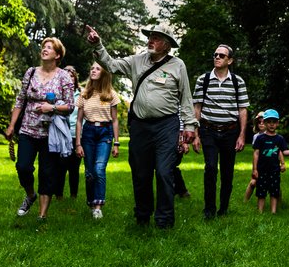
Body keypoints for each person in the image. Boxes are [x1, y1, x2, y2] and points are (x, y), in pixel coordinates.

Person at [85, 23, 198, 229]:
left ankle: (164, 220)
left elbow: (186, 98)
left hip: (166, 125)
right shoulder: (137, 61)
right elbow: (110, 65)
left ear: (166, 45)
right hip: (140, 126)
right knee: (141, 172)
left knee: (164, 172)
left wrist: (190, 125)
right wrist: (99, 44)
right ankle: (143, 216)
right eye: (150, 36)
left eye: (156, 37)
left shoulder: (177, 65)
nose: (150, 40)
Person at [4, 38, 76, 220]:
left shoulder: (64, 76)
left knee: (47, 172)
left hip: (50, 133)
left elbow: (70, 106)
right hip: (28, 129)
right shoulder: (31, 72)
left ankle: (42, 215)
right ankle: (30, 195)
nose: (44, 49)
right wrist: (12, 125)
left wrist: (51, 108)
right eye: (43, 47)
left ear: (57, 55)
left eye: (49, 48)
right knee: (23, 167)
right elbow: (20, 100)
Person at [192, 44, 249, 219]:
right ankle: (209, 209)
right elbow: (197, 107)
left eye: (222, 55)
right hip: (208, 130)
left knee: (227, 171)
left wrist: (242, 135)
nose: (217, 57)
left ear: (229, 60)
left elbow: (243, 110)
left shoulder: (238, 82)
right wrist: (195, 134)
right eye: (215, 54)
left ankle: (223, 208)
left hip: (230, 132)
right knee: (210, 168)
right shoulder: (204, 79)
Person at [74, 62, 122, 219]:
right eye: (92, 68)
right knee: (89, 172)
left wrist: (116, 142)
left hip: (105, 132)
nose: (93, 70)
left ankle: (98, 206)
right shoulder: (85, 94)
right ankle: (90, 201)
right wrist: (78, 143)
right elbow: (79, 121)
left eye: (97, 68)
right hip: (88, 133)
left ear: (104, 73)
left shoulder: (110, 94)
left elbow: (115, 120)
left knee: (99, 169)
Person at [251, 109, 289, 214]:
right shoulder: (260, 138)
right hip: (262, 170)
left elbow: (284, 152)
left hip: (274, 170)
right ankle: (260, 211)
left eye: (274, 122)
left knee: (274, 192)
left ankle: (273, 212)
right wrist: (255, 169)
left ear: (277, 123)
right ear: (264, 123)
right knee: (261, 192)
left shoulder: (279, 139)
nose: (271, 124)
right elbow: (256, 153)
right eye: (269, 122)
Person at [56, 65, 82, 200]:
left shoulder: (81, 94)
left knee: (74, 167)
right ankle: (58, 195)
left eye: (71, 76)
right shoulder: (57, 93)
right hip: (60, 134)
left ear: (75, 78)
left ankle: (73, 195)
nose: (68, 78)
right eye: (66, 75)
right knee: (60, 166)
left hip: (75, 134)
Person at [244, 111, 266, 202]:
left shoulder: (273, 136)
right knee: (253, 182)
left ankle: (279, 205)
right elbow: (255, 154)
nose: (261, 124)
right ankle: (245, 201)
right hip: (259, 164)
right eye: (259, 122)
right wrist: (254, 168)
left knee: (274, 185)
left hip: (270, 164)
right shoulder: (256, 137)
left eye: (263, 122)